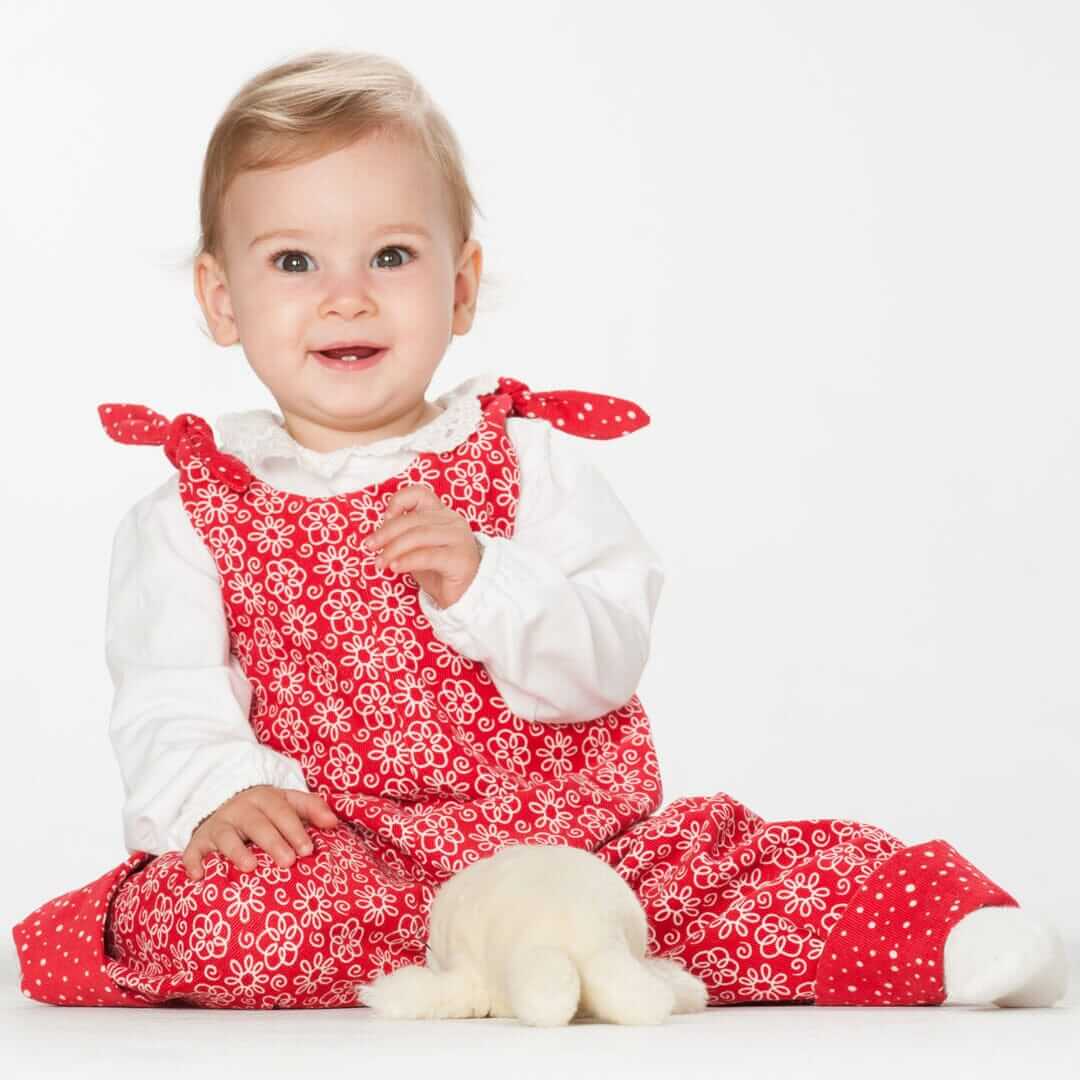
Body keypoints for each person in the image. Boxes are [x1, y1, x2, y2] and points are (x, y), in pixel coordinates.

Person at [11, 49, 1066, 1011]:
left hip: (579, 843)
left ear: (461, 286)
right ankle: (501, 957)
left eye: (391, 255)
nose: (345, 298)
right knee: (239, 912)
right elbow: (166, 696)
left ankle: (936, 936)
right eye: (294, 262)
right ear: (220, 297)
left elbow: (607, 659)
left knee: (716, 873)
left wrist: (488, 581)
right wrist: (220, 792)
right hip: (357, 865)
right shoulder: (194, 511)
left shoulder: (527, 461)